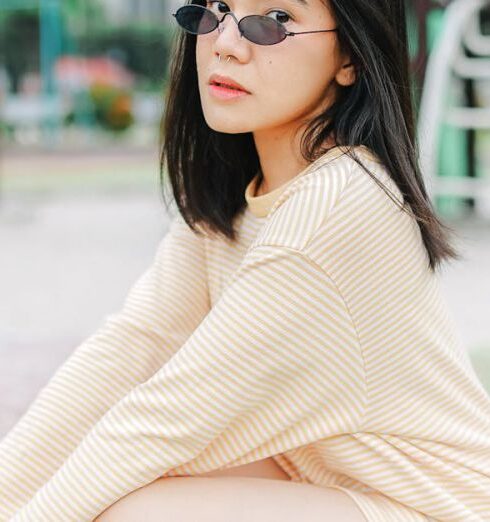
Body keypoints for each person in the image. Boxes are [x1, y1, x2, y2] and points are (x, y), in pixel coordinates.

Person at [1, 0, 490, 519]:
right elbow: (129, 351)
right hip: (333, 487)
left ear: (350, 56)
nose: (227, 44)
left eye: (276, 19)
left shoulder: (336, 206)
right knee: (106, 474)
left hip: (435, 509)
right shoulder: (241, 197)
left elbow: (169, 417)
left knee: (134, 508)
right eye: (216, 9)